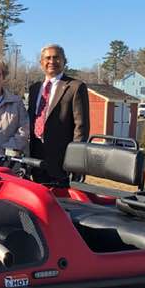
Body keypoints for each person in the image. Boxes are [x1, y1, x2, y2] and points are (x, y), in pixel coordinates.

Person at [27, 43, 90, 184]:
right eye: (47, 58)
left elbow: (81, 127)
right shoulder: (34, 89)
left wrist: (75, 161)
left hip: (62, 161)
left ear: (64, 61)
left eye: (56, 57)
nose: (52, 61)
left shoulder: (75, 87)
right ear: (41, 62)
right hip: (36, 158)